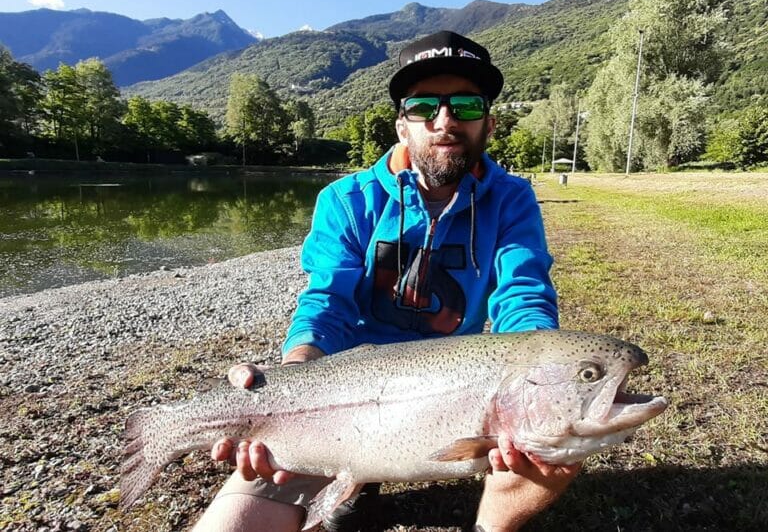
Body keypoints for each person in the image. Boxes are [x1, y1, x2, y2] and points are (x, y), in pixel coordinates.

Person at [194, 30, 580, 532]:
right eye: (424, 107)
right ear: (402, 126)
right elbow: (325, 305)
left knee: (556, 438)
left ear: (489, 122)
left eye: (465, 105)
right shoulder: (346, 200)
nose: (445, 122)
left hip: (454, 393)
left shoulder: (511, 199)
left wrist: (541, 370)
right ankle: (351, 480)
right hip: (343, 397)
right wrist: (287, 385)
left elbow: (522, 296)